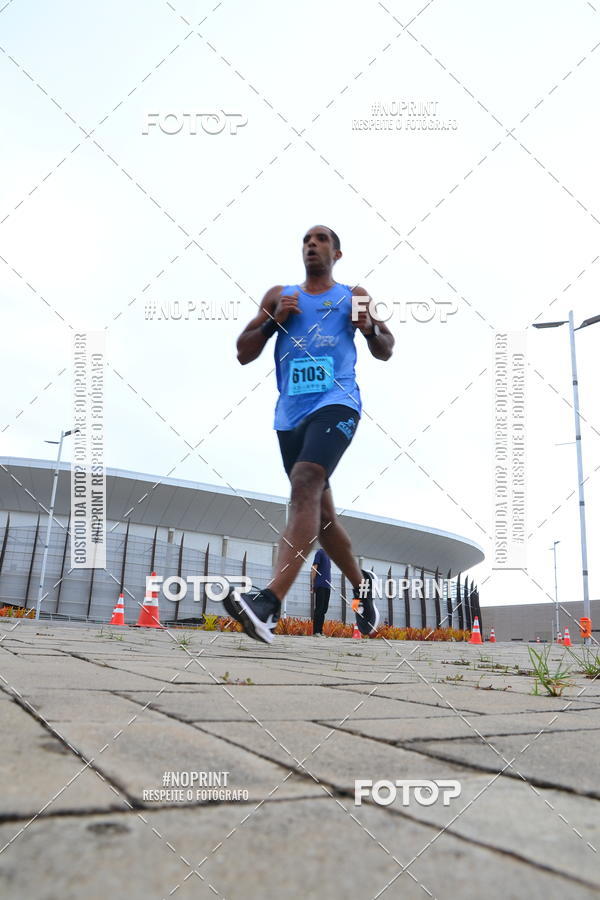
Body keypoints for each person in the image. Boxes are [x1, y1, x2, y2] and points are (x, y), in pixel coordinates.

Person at [224, 225, 394, 643]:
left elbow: (386, 348)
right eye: (306, 240)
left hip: (338, 403)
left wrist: (369, 327)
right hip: (290, 416)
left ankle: (268, 603)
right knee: (321, 516)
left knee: (304, 482)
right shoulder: (280, 296)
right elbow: (243, 353)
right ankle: (362, 586)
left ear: (337, 253)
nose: (311, 245)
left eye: (320, 239)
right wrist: (273, 323)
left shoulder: (353, 295)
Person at [311, 548, 331, 636]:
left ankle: (320, 630)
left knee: (324, 609)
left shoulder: (329, 555)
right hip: (320, 585)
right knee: (319, 608)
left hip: (327, 586)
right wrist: (313, 583)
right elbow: (314, 568)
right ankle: (316, 631)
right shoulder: (320, 552)